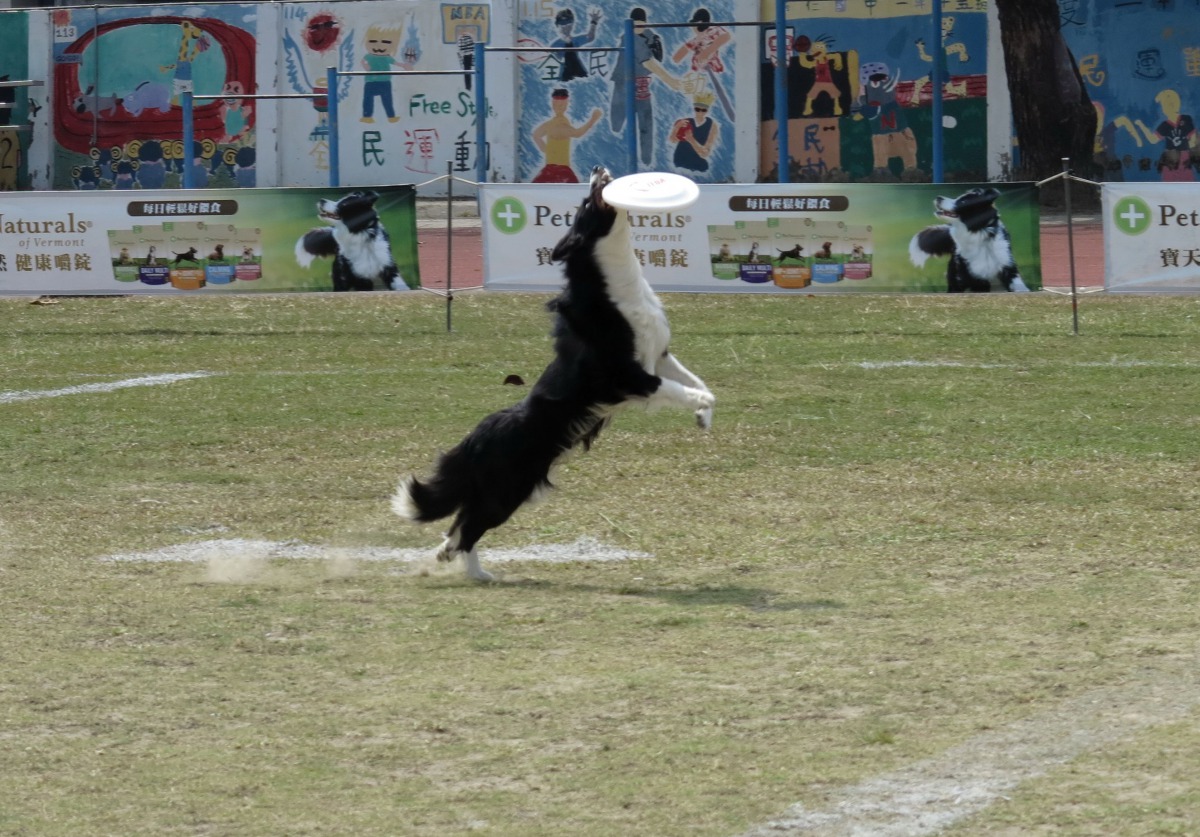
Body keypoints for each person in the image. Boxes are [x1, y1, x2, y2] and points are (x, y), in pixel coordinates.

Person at [609, 7, 681, 166]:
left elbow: (657, 55)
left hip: (641, 85)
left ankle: (646, 160)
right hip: (624, 85)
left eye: (642, 25)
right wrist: (671, 81)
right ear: (631, 25)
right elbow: (648, 62)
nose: (639, 28)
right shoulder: (628, 38)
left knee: (645, 125)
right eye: (636, 25)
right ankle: (621, 155)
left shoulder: (647, 35)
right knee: (616, 123)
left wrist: (654, 41)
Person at [532, 88, 602, 182]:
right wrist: (593, 119)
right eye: (557, 104)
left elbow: (536, 135)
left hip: (552, 167)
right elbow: (577, 133)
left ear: (566, 105)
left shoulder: (551, 123)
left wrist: (546, 149)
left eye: (562, 104)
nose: (559, 107)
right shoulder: (559, 124)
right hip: (561, 170)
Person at [671, 90, 719, 173]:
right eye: (697, 109)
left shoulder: (712, 125)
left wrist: (691, 140)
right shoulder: (686, 122)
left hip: (697, 164)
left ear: (707, 111)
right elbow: (673, 140)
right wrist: (677, 127)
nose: (700, 112)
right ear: (694, 109)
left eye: (703, 110)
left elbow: (705, 153)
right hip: (680, 161)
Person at [550, 7, 600, 82]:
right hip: (565, 74)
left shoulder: (575, 40)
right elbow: (553, 60)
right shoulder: (555, 45)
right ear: (557, 25)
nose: (566, 26)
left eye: (569, 22)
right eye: (563, 24)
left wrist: (594, 22)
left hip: (578, 72)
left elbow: (590, 37)